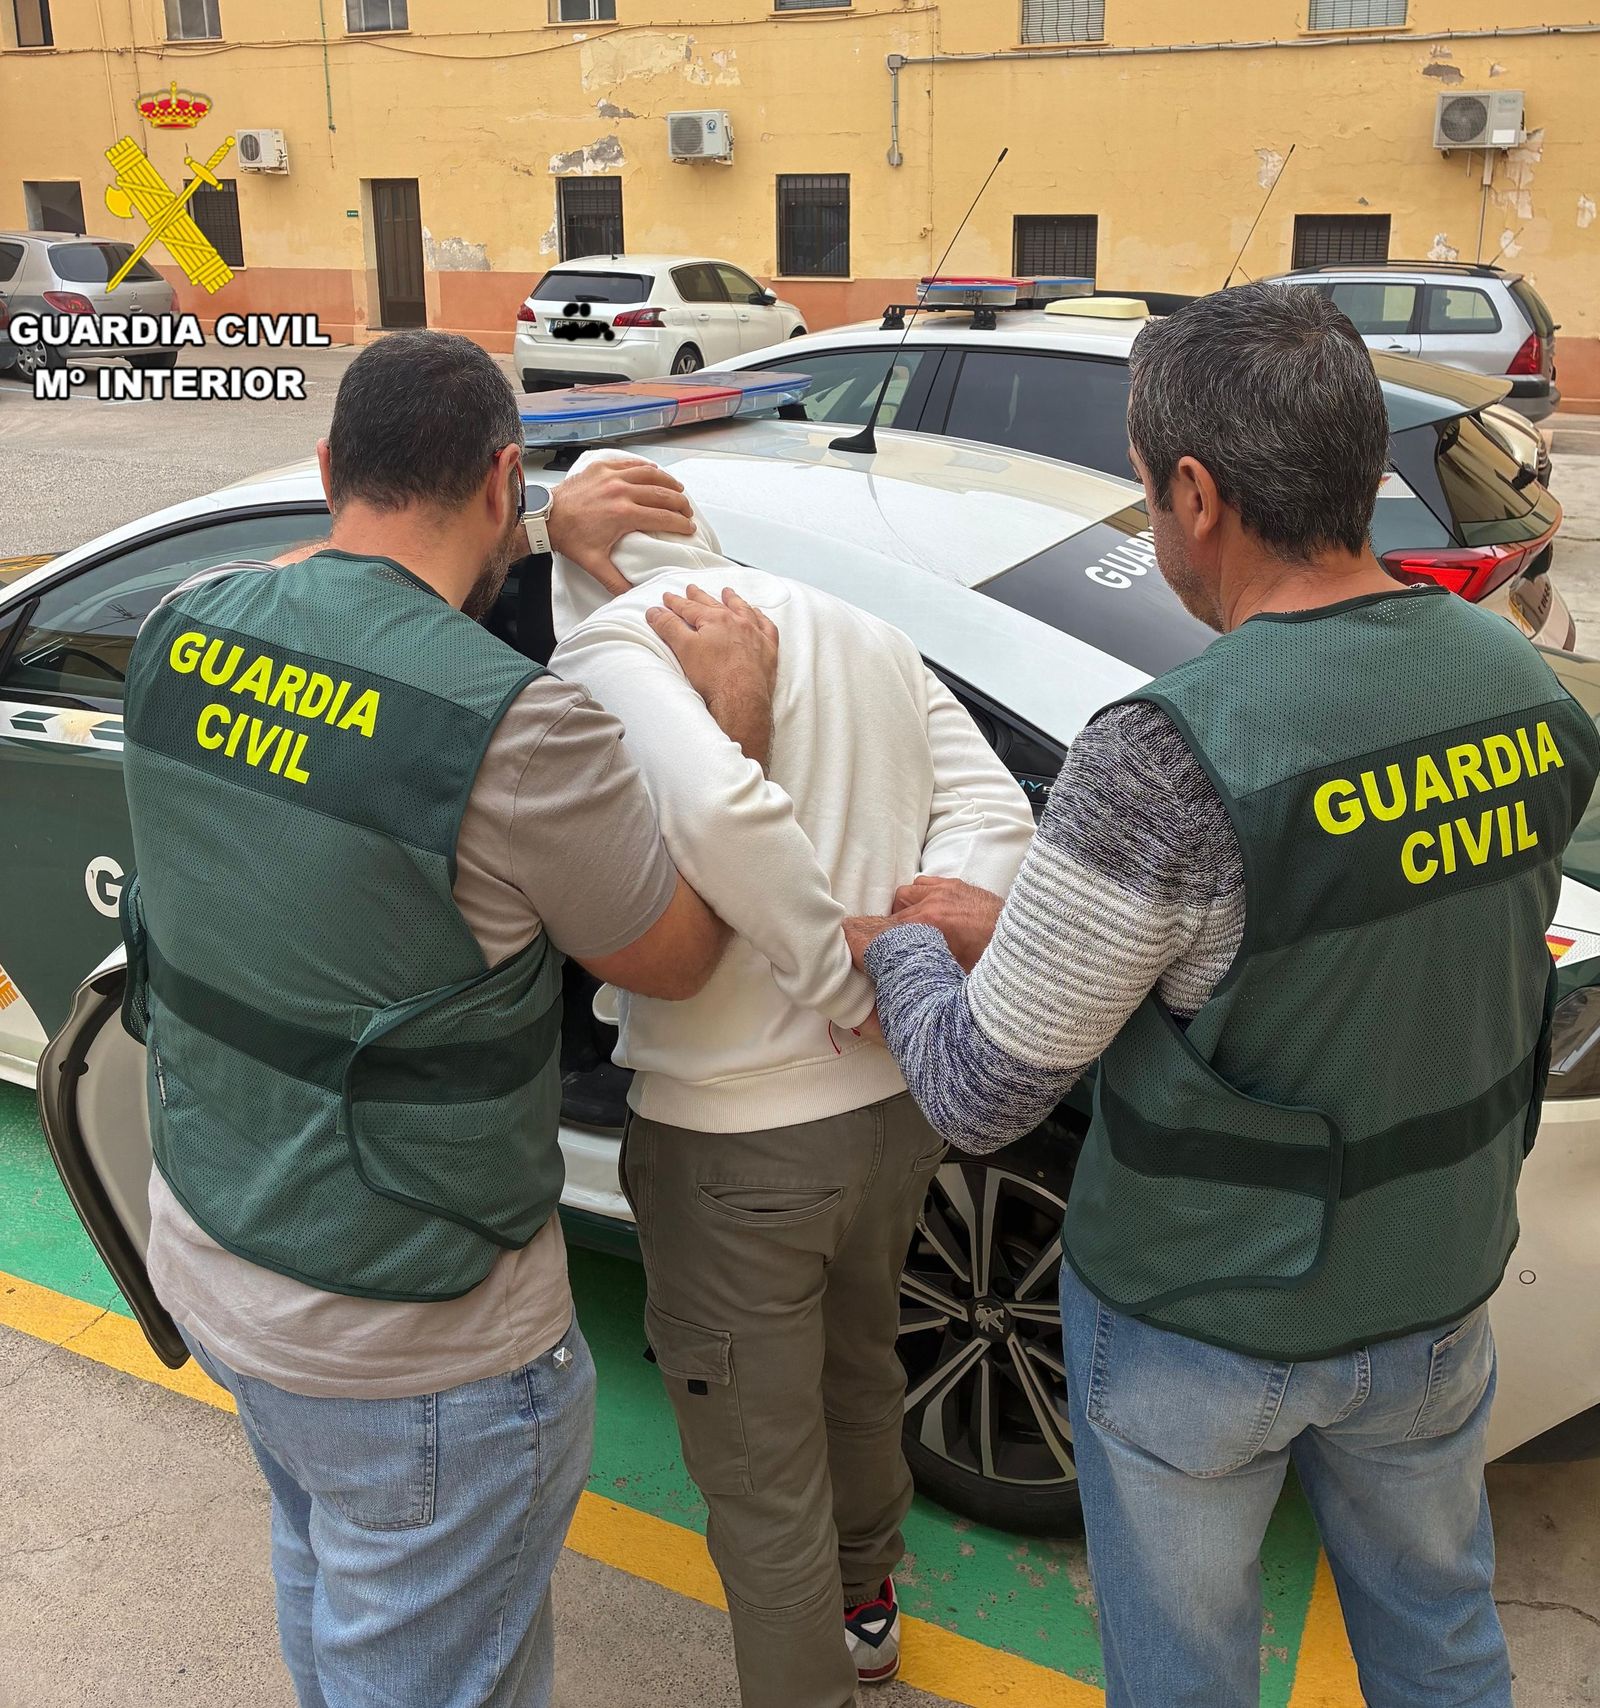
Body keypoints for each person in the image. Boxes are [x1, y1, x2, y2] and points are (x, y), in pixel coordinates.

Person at [843, 284, 1600, 1708]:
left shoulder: (1167, 753)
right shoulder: (1517, 679)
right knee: (1442, 1641)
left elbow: (980, 1093)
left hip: (1204, 1326)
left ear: (1194, 493)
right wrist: (1047, 932)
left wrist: (900, 947)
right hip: (1432, 1287)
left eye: (1144, 487)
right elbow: (1337, 936)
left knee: (1184, 1678)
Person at [117, 330, 775, 1708]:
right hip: (412, 1341)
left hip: (215, 1253)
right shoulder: (517, 731)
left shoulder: (180, 624)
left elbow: (316, 584)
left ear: (326, 471)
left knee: (331, 1588)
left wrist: (525, 526)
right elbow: (671, 959)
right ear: (497, 479)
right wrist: (734, 728)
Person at [547, 452, 1037, 1707]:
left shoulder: (608, 645)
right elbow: (996, 815)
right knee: (861, 1372)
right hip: (891, 1111)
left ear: (580, 561)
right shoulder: (862, 628)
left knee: (760, 1476)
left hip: (734, 1143)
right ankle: (868, 1606)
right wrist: (909, 954)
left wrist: (839, 973)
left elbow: (716, 814)